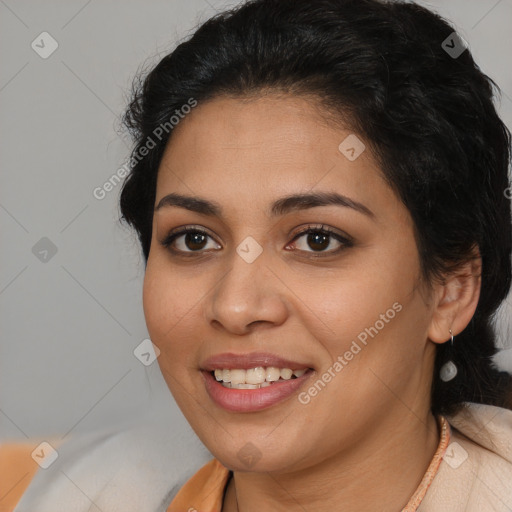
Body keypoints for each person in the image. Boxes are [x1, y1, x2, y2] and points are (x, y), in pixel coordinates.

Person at [2, 0, 512, 510]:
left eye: (317, 240)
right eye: (194, 239)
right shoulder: (62, 493)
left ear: (451, 290)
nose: (235, 307)